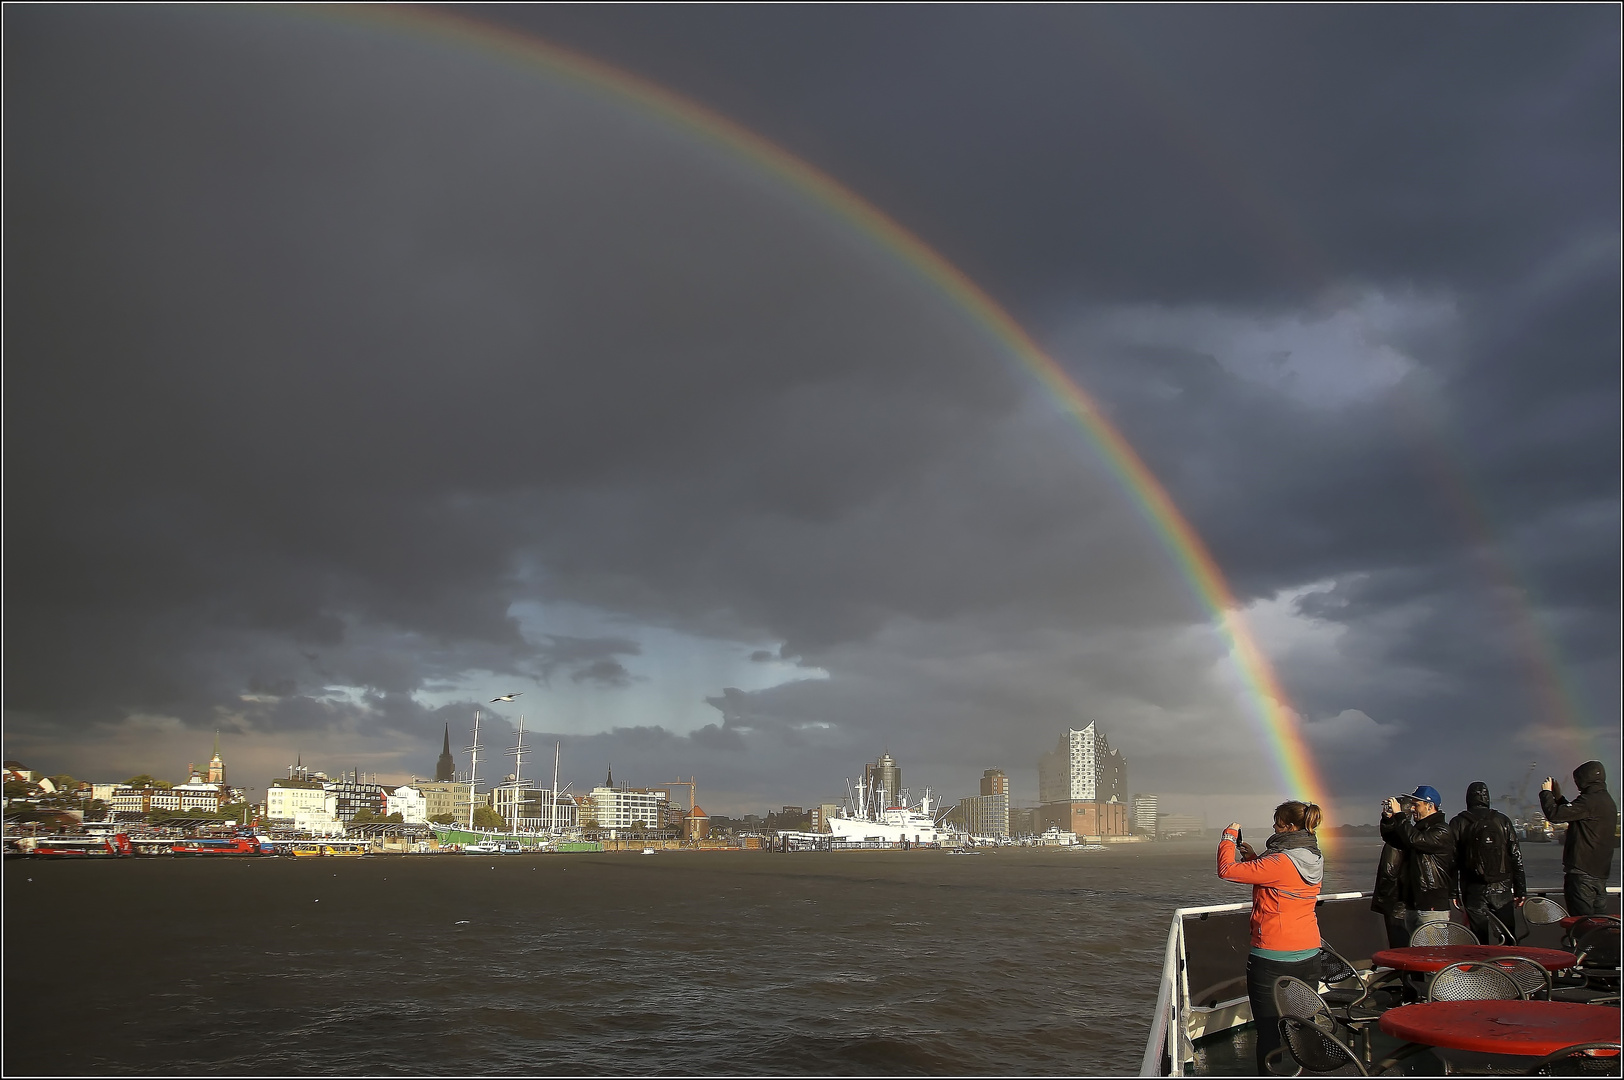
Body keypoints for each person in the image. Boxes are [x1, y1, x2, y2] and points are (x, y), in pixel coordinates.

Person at [1217, 801, 1323, 1075]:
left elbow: (1227, 870)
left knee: (1268, 1031)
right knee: (1305, 1025)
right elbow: (1281, 880)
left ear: (1288, 826)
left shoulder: (1280, 861)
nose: (1273, 827)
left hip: (1272, 957)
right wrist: (1254, 860)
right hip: (1310, 952)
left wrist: (1228, 837)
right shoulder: (1313, 856)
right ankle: (1311, 1069)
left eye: (1277, 822)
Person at [1450, 782, 1526, 944]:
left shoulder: (1458, 822)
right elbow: (1516, 856)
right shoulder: (1503, 820)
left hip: (1472, 888)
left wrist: (1453, 892)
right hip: (1502, 887)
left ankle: (1482, 966)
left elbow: (1452, 860)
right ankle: (1508, 966)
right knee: (1508, 936)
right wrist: (1521, 889)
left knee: (1479, 938)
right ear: (1488, 798)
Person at [1539, 760, 1618, 916]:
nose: (1576, 785)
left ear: (1584, 780)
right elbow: (1575, 813)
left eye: (1577, 781)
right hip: (1600, 873)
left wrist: (1546, 793)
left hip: (1582, 874)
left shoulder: (1588, 801)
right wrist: (1559, 798)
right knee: (1597, 924)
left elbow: (1555, 815)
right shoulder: (1607, 801)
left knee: (1581, 924)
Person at [1381, 785, 1456, 937]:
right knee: (1415, 954)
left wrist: (1400, 815)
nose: (1413, 809)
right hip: (1412, 904)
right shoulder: (1416, 831)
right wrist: (1388, 820)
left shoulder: (1442, 831)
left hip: (1432, 906)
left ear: (1430, 806)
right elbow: (1394, 840)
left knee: (1431, 954)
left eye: (1416, 804)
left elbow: (1414, 840)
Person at [1370, 804, 1411, 948]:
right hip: (1406, 903)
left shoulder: (1395, 843)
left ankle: (1402, 970)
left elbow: (1389, 871)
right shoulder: (1411, 838)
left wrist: (1383, 899)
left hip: (1394, 903)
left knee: (1398, 945)